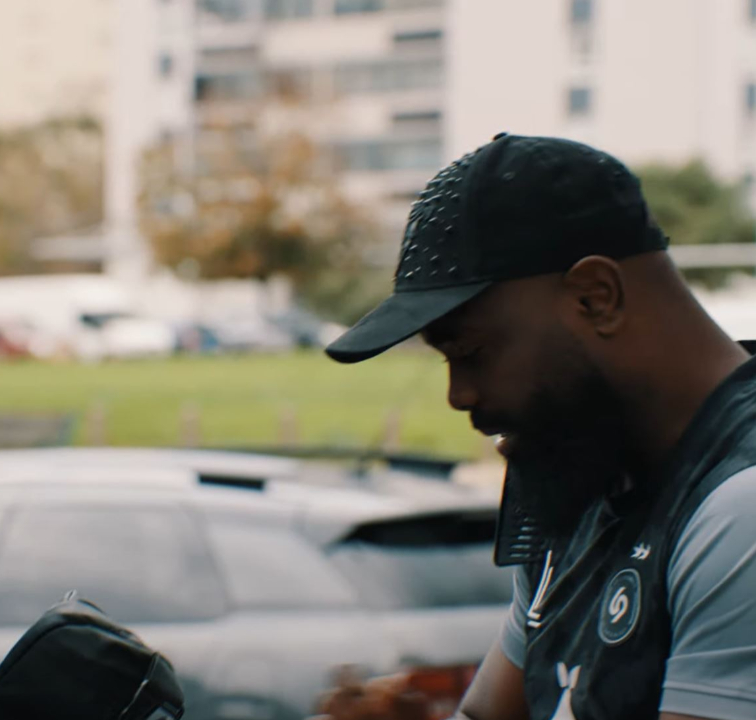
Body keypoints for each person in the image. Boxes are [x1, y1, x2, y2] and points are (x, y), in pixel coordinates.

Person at [324, 133, 756, 720]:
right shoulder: (581, 476)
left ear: (596, 298)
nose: (459, 396)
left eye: (472, 352)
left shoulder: (741, 503)